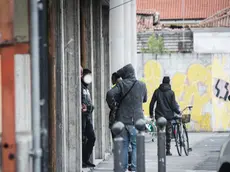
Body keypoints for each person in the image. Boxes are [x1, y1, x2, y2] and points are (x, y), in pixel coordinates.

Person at [106, 64, 147, 172]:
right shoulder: (142, 85)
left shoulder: (121, 84)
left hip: (122, 120)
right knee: (135, 145)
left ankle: (122, 168)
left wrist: (113, 105)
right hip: (137, 120)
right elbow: (145, 99)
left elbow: (110, 94)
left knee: (123, 145)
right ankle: (134, 168)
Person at [149, 76, 180, 156]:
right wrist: (178, 111)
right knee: (168, 133)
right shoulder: (171, 92)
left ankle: (160, 150)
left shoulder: (157, 91)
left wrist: (151, 114)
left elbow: (152, 103)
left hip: (159, 115)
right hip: (168, 116)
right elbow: (173, 105)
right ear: (169, 82)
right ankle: (168, 150)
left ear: (162, 82)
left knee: (160, 133)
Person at [81, 68, 96, 168]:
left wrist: (89, 107)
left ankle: (85, 159)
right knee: (83, 139)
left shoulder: (86, 88)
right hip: (82, 118)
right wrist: (88, 107)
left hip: (88, 118)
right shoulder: (80, 87)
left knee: (91, 138)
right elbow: (84, 106)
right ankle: (83, 160)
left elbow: (88, 105)